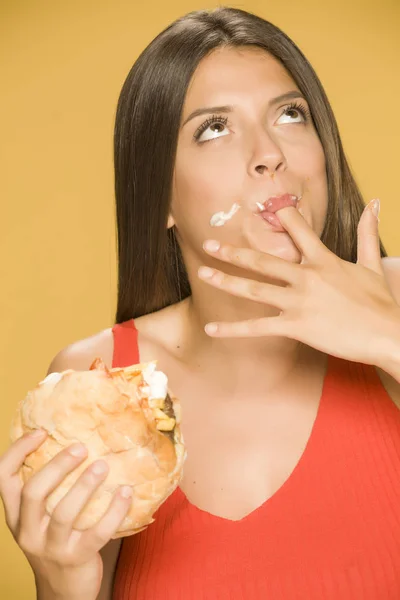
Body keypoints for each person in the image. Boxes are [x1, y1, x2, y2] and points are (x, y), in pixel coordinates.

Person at [1, 6, 400, 600]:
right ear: (158, 194)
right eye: (214, 127)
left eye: (291, 115)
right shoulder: (99, 388)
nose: (269, 153)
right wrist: (60, 582)